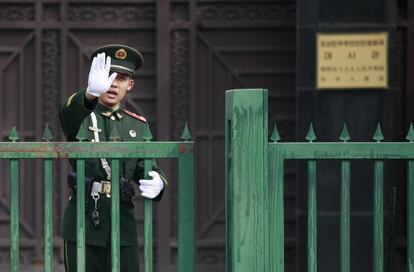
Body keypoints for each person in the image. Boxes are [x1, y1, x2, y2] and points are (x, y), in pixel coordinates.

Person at [59, 44, 166, 272]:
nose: (114, 83)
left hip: (122, 222)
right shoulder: (81, 117)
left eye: (122, 77)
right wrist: (89, 94)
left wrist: (159, 181)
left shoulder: (137, 125)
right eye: (109, 75)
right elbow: (66, 114)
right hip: (83, 221)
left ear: (130, 84)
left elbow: (146, 167)